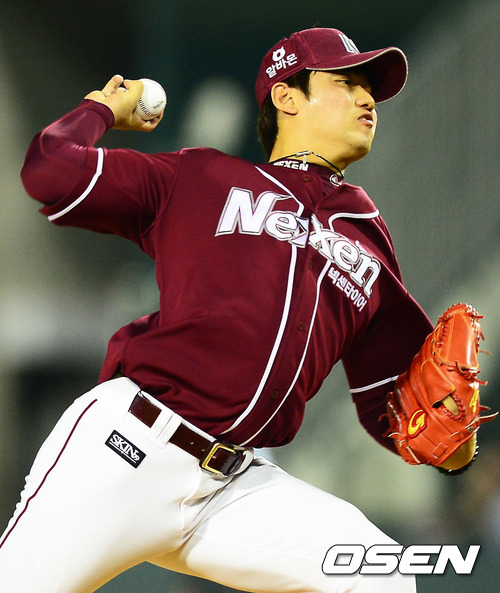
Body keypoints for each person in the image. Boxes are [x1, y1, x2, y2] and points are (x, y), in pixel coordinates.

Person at [0, 27, 475, 593]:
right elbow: (50, 171)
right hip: (130, 448)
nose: (367, 98)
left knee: (380, 571)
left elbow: (406, 415)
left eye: (369, 89)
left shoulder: (368, 241)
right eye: (347, 83)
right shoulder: (202, 178)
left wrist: (459, 439)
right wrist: (102, 108)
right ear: (287, 96)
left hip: (232, 489)